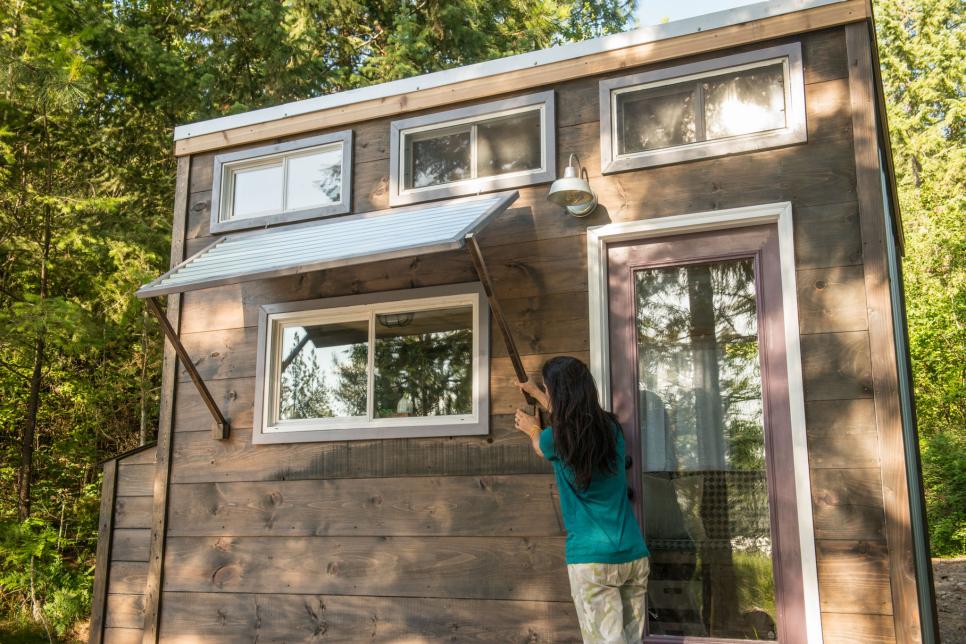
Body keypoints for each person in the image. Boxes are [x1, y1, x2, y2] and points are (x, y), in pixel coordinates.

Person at [514, 356, 650, 644]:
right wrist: (538, 393)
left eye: (548, 390)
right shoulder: (611, 428)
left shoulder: (555, 438)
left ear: (557, 394)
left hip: (592, 562)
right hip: (634, 556)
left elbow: (541, 446)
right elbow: (571, 421)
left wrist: (532, 429)